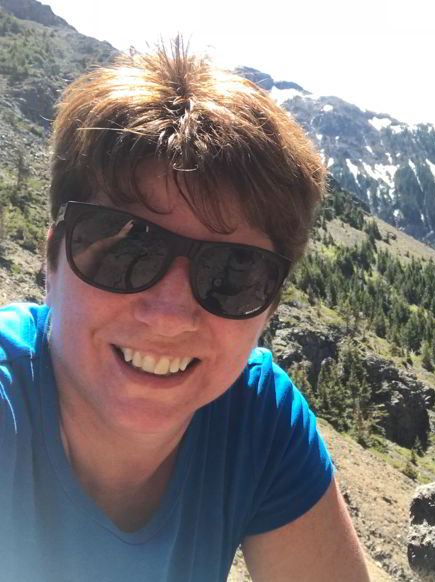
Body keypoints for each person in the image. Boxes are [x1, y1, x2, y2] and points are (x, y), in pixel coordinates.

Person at [0, 39, 371, 582]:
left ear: (269, 307)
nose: (170, 315)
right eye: (126, 249)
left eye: (234, 274)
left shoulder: (258, 418)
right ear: (51, 257)